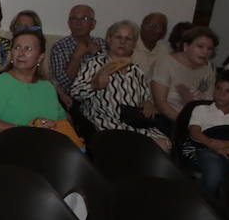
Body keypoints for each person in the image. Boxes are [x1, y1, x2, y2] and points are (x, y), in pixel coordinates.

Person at [71, 19, 169, 149]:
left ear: (134, 44)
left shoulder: (136, 70)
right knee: (154, 146)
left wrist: (148, 102)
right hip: (106, 121)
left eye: (128, 39)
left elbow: (145, 96)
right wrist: (93, 86)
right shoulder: (95, 64)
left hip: (134, 121)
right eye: (118, 37)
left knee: (166, 143)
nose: (123, 42)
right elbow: (75, 93)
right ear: (109, 39)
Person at [0, 27, 69, 140]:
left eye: (28, 48)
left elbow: (64, 122)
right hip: (14, 147)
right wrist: (26, 131)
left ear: (40, 57)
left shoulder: (47, 87)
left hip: (49, 146)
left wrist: (54, 127)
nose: (21, 53)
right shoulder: (1, 83)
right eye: (17, 47)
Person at [184, 69, 229, 195]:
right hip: (204, 148)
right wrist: (215, 146)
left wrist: (228, 145)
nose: (221, 94)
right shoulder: (201, 110)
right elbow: (195, 133)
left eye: (228, 91)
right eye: (218, 88)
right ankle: (202, 202)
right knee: (214, 175)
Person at [150, 25, 217, 137]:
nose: (205, 52)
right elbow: (161, 104)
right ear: (186, 46)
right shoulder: (165, 62)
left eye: (209, 49)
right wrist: (187, 124)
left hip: (195, 123)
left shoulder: (208, 71)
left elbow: (207, 104)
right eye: (200, 46)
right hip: (164, 119)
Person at [48, 3, 105, 108]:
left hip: (102, 98)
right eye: (74, 19)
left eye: (84, 18)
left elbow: (112, 75)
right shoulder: (59, 47)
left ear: (93, 24)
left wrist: (98, 54)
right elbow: (65, 84)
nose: (79, 23)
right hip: (73, 99)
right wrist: (76, 56)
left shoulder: (102, 44)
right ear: (69, 23)